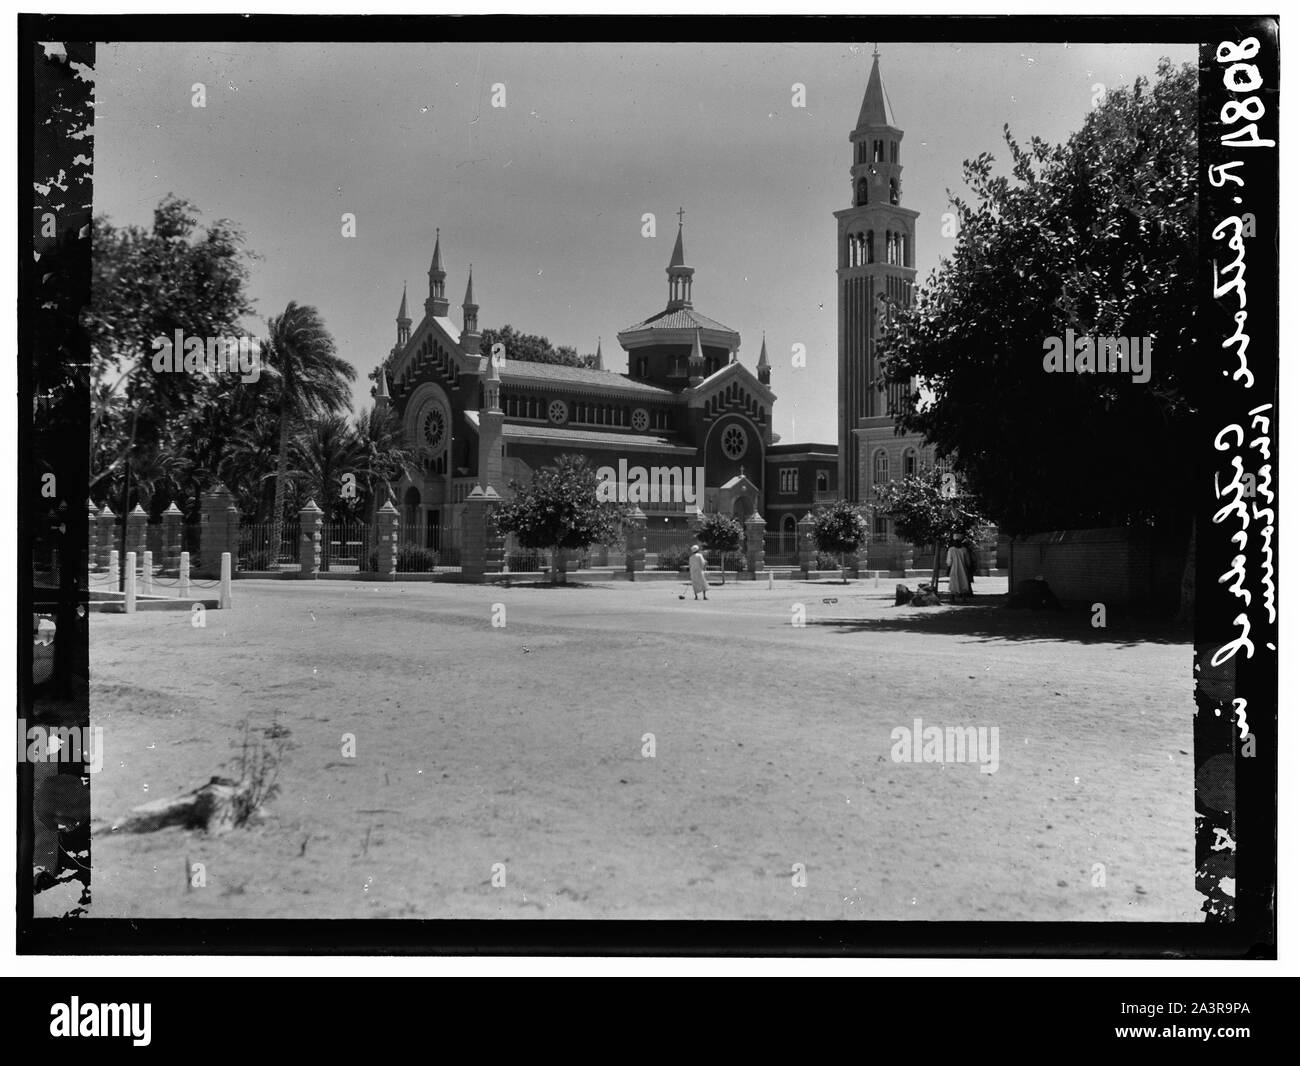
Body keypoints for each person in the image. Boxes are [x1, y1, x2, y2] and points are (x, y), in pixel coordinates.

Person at [946, 537, 973, 602]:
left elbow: (949, 562)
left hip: (954, 569)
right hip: (962, 569)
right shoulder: (964, 550)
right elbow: (968, 562)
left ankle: (954, 598)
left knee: (954, 583)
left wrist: (948, 568)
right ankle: (961, 598)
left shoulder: (951, 550)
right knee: (962, 582)